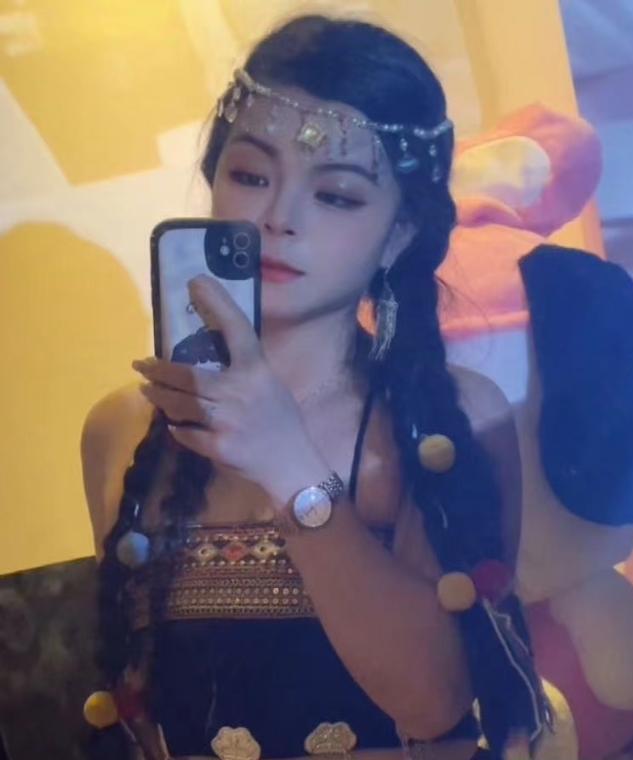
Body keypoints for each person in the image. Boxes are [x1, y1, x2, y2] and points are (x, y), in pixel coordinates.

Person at [80, 15, 551, 760]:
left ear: (399, 232)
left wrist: (289, 465)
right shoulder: (122, 427)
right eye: (250, 177)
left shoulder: (447, 422)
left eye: (335, 195)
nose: (279, 218)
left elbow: (434, 702)